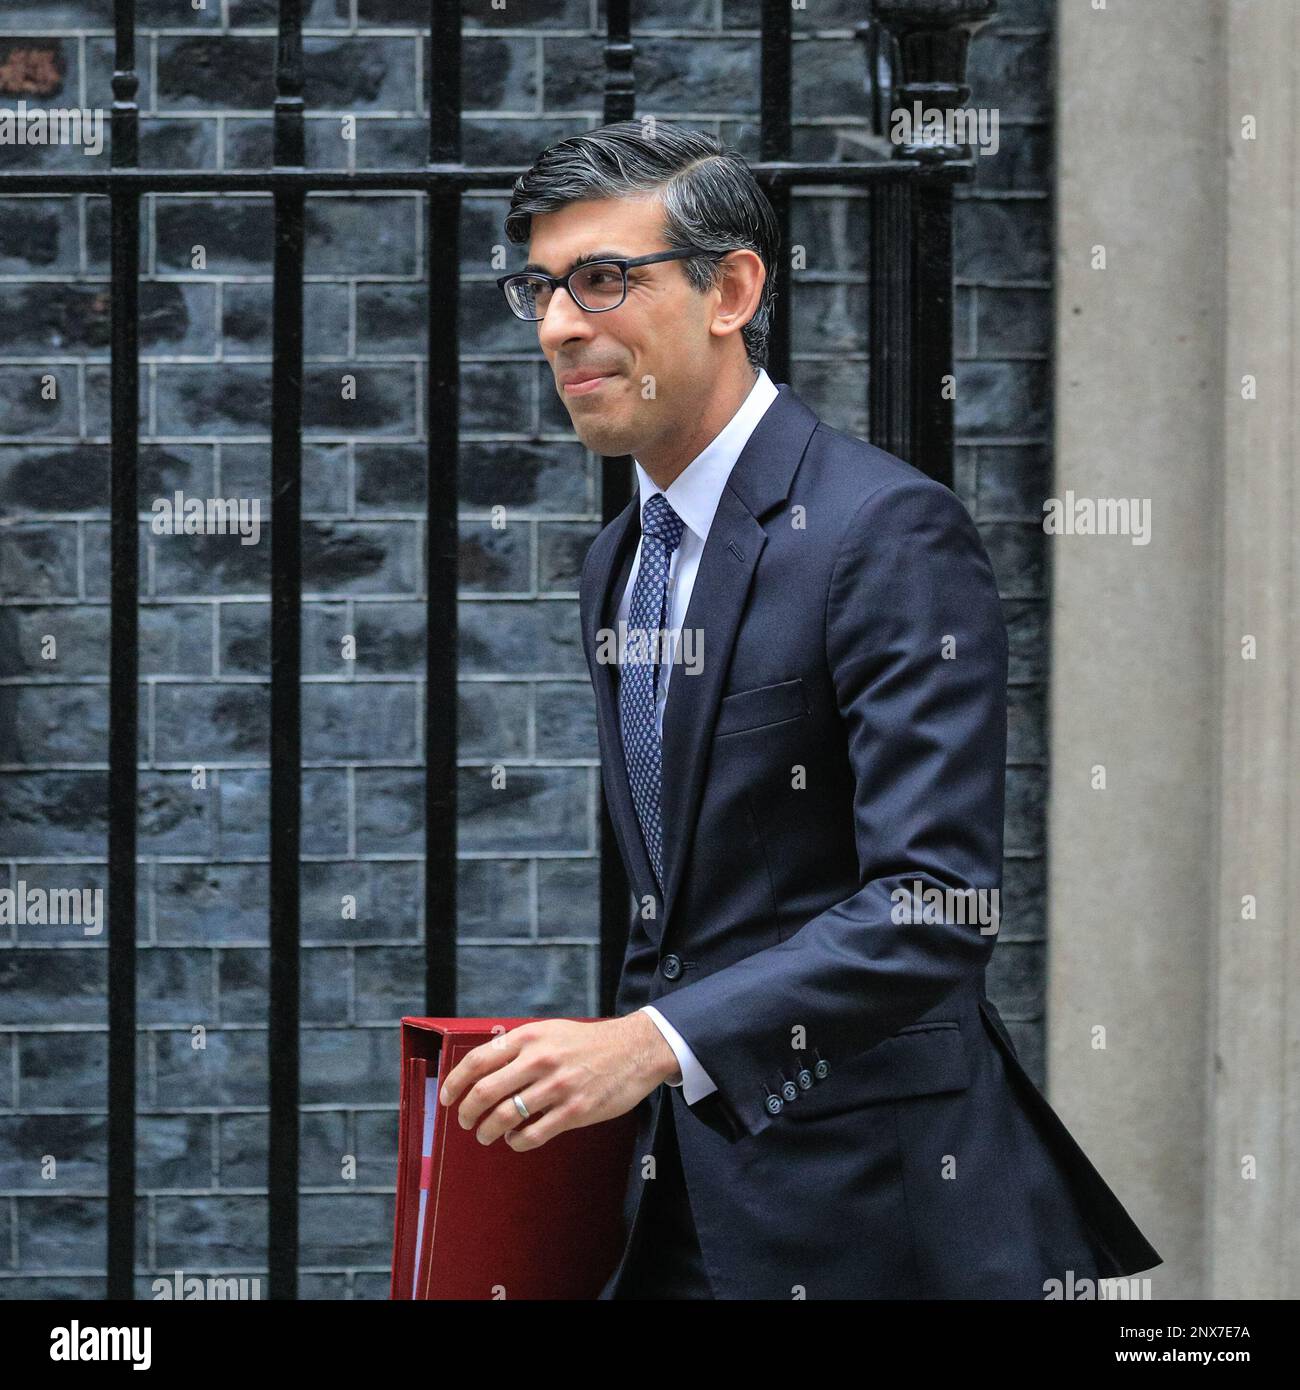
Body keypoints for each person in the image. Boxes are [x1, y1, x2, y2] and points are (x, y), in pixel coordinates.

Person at [437, 121, 1161, 1300]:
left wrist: (647, 1044)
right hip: (677, 1204)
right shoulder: (621, 557)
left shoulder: (884, 531)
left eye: (605, 279)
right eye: (541, 286)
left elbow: (930, 904)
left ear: (731, 289)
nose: (561, 324)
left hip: (872, 1217)